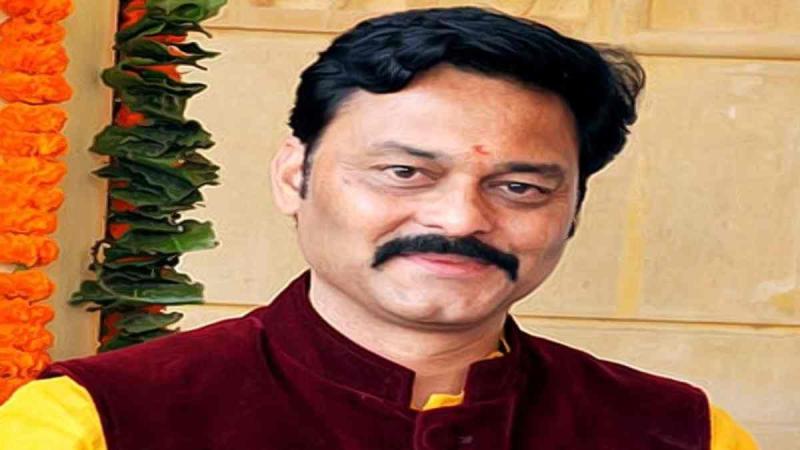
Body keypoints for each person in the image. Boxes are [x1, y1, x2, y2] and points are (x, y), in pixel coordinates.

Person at [0, 6, 758, 450]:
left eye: (520, 187)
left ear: (573, 210)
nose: (460, 218)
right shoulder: (95, 422)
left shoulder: (682, 432)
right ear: (294, 175)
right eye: (404, 172)